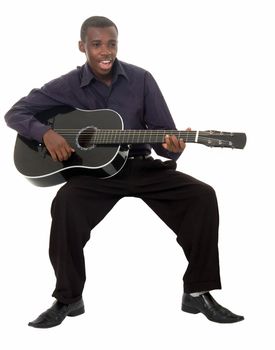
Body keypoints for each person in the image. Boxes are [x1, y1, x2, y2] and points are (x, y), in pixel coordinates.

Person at [4, 16, 244, 327]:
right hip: (92, 176)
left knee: (202, 196)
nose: (106, 51)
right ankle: (67, 297)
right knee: (65, 204)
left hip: (140, 166)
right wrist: (46, 134)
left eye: (112, 43)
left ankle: (198, 293)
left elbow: (162, 138)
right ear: (82, 47)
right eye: (97, 44)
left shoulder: (141, 79)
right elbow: (15, 113)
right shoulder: (65, 86)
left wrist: (174, 145)